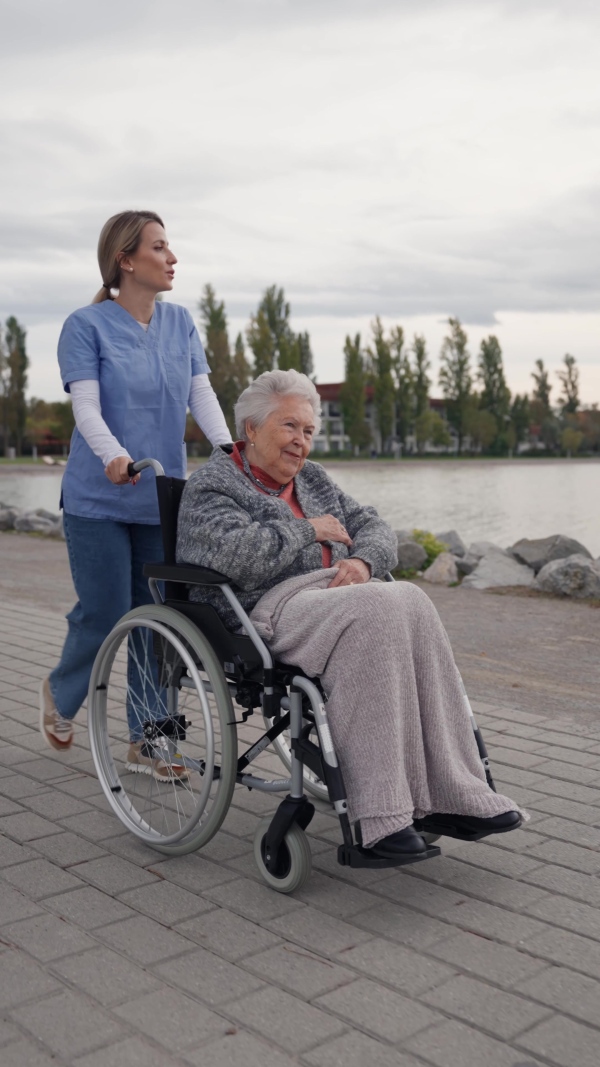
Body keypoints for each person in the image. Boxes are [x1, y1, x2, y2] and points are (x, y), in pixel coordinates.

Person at [176, 369, 523, 858]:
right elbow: (234, 556)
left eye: (309, 431)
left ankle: (453, 791)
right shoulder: (213, 486)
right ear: (251, 429)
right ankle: (379, 817)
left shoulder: (312, 479)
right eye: (289, 427)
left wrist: (362, 561)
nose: (301, 443)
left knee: (411, 599)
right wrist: (308, 531)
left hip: (335, 596)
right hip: (264, 611)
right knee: (378, 608)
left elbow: (372, 525)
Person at [40, 209, 232, 781]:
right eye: (159, 247)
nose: (172, 258)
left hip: (159, 499)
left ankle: (148, 740)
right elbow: (87, 408)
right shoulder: (86, 325)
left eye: (170, 248)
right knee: (104, 613)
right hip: (100, 498)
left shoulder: (180, 325)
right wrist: (113, 456)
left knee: (156, 621)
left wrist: (230, 454)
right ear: (126, 259)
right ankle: (60, 690)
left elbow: (202, 395)